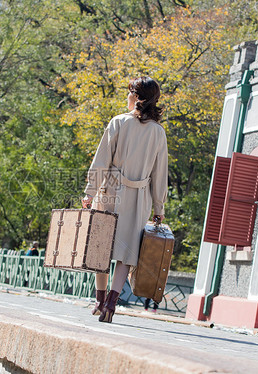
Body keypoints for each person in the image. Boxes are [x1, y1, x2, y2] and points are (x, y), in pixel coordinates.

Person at [82, 76, 168, 323]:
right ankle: (111, 302)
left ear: (136, 96)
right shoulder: (158, 133)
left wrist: (90, 192)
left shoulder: (118, 122)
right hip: (139, 195)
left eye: (129, 92)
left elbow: (101, 161)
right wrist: (159, 207)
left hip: (109, 188)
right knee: (127, 252)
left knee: (101, 246)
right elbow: (159, 174)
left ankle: (99, 300)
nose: (127, 96)